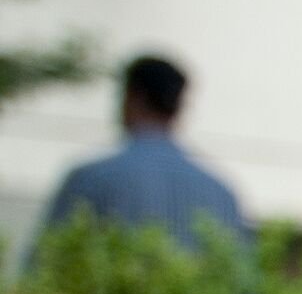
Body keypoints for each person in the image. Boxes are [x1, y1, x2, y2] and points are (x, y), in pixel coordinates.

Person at [43, 55, 250, 246]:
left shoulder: (91, 179)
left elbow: (46, 262)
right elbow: (242, 279)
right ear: (179, 106)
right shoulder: (221, 193)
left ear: (134, 96)